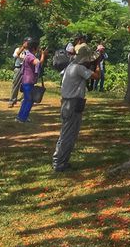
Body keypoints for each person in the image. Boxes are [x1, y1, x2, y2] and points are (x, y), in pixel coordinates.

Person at [52, 43, 101, 172]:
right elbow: (97, 76)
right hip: (72, 103)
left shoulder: (71, 66)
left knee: (67, 133)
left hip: (68, 103)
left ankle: (60, 161)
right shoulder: (79, 68)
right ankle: (59, 163)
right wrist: (98, 63)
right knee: (68, 135)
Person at [16, 42, 47, 123]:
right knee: (29, 100)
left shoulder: (29, 55)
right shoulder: (30, 56)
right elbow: (39, 63)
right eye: (38, 48)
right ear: (34, 48)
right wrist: (43, 55)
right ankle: (23, 118)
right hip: (28, 81)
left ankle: (20, 116)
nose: (39, 49)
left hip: (27, 80)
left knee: (26, 99)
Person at [9, 39, 28, 107]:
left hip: (26, 68)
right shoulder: (18, 49)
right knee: (15, 84)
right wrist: (22, 48)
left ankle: (23, 100)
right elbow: (15, 55)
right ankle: (12, 100)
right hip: (18, 68)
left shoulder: (30, 51)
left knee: (26, 85)